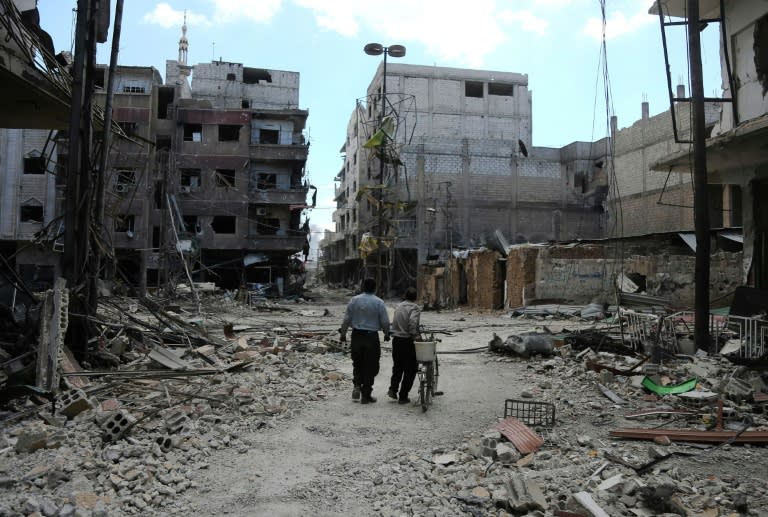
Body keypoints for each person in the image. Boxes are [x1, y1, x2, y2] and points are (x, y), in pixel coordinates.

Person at [339, 278, 390, 404]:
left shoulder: (354, 300)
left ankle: (357, 384)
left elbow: (346, 319)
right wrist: (386, 333)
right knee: (371, 365)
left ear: (362, 287)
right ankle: (366, 394)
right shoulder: (379, 302)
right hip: (371, 337)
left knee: (357, 362)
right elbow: (384, 321)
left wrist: (343, 334)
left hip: (356, 336)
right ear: (375, 288)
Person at [388, 287, 421, 405]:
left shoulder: (399, 306)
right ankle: (403, 396)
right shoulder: (415, 307)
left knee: (397, 366)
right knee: (410, 369)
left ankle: (393, 389)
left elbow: (393, 322)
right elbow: (412, 323)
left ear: (405, 296)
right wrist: (416, 336)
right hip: (407, 341)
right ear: (415, 298)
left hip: (396, 341)